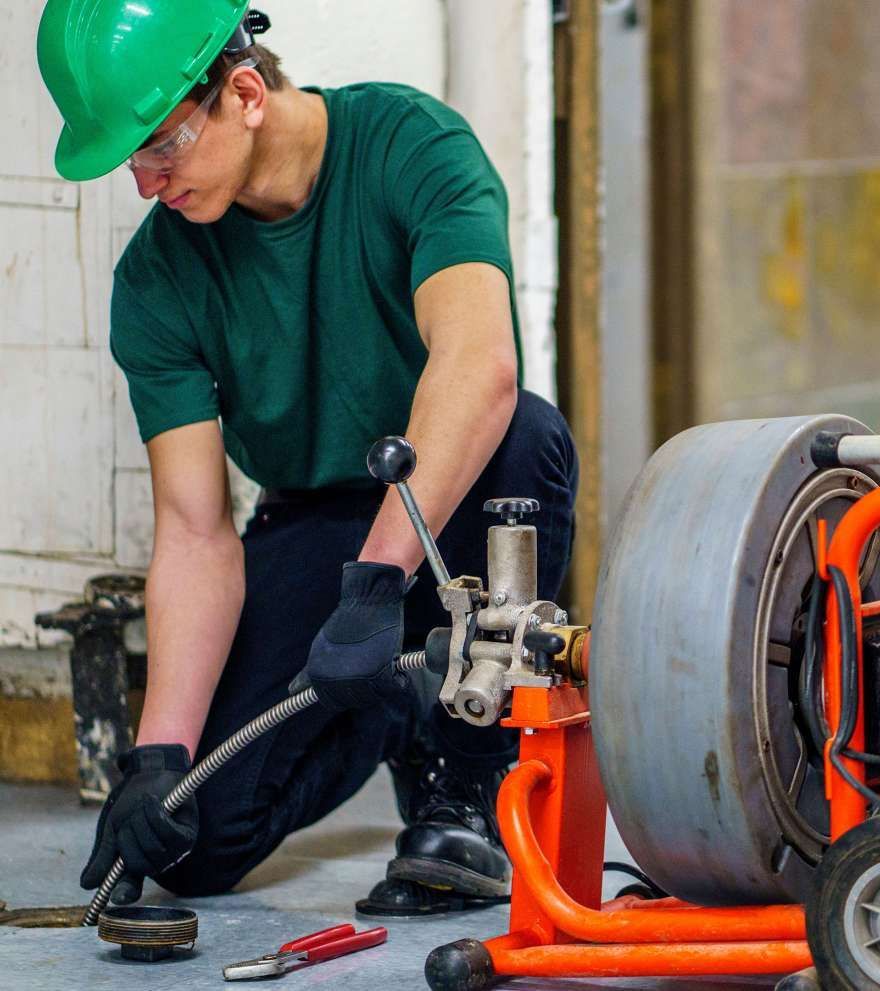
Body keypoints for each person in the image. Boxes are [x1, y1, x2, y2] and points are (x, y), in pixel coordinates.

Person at [37, 0, 578, 915]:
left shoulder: (411, 146)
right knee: (195, 841)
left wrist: (376, 587)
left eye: (159, 146)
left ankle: (467, 787)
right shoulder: (158, 279)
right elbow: (195, 530)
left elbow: (479, 368)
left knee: (526, 433)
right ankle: (402, 703)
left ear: (245, 93)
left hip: (457, 495)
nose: (145, 183)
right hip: (313, 516)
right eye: (131, 159)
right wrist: (158, 756)